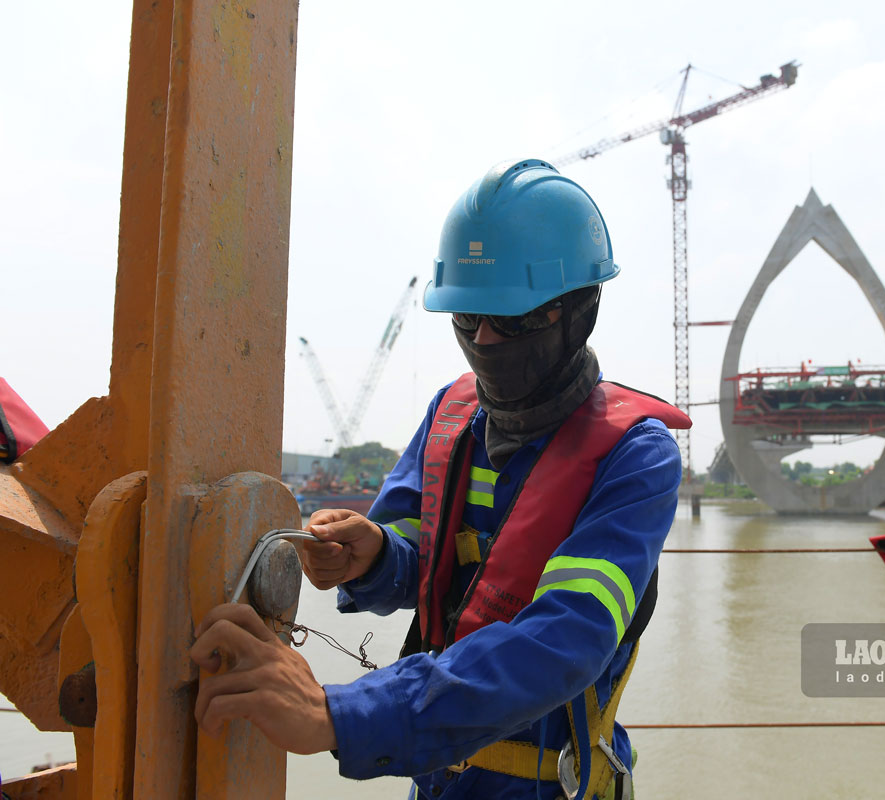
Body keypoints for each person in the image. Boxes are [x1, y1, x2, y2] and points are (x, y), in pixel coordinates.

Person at [190, 158, 690, 799]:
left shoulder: (634, 456)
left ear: (579, 312)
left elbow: (567, 637)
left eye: (510, 321)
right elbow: (418, 560)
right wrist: (369, 557)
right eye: (466, 317)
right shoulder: (451, 417)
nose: (483, 338)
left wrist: (339, 715)